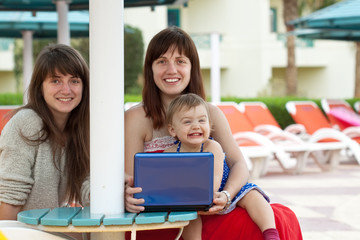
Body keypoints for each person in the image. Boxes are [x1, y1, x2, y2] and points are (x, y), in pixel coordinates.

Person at [125, 26, 302, 240]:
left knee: (281, 217)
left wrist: (226, 196)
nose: (171, 69)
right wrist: (128, 194)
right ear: (150, 68)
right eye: (162, 61)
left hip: (212, 210)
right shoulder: (136, 117)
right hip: (162, 217)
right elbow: (130, 178)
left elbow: (239, 164)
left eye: (180, 61)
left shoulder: (211, 113)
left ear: (192, 67)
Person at [164, 93, 279, 240]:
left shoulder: (212, 146)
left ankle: (270, 233)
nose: (196, 126)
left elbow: (215, 177)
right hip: (191, 196)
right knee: (188, 214)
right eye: (187, 122)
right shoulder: (170, 152)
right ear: (173, 130)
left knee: (252, 195)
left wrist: (213, 194)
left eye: (201, 120)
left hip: (221, 189)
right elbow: (167, 178)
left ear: (209, 125)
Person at [0, 44, 90, 222]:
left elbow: (86, 184)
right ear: (40, 87)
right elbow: (9, 199)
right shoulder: (27, 122)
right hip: (21, 231)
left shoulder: (79, 129)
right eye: (55, 81)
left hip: (49, 226)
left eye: (74, 81)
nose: (66, 90)